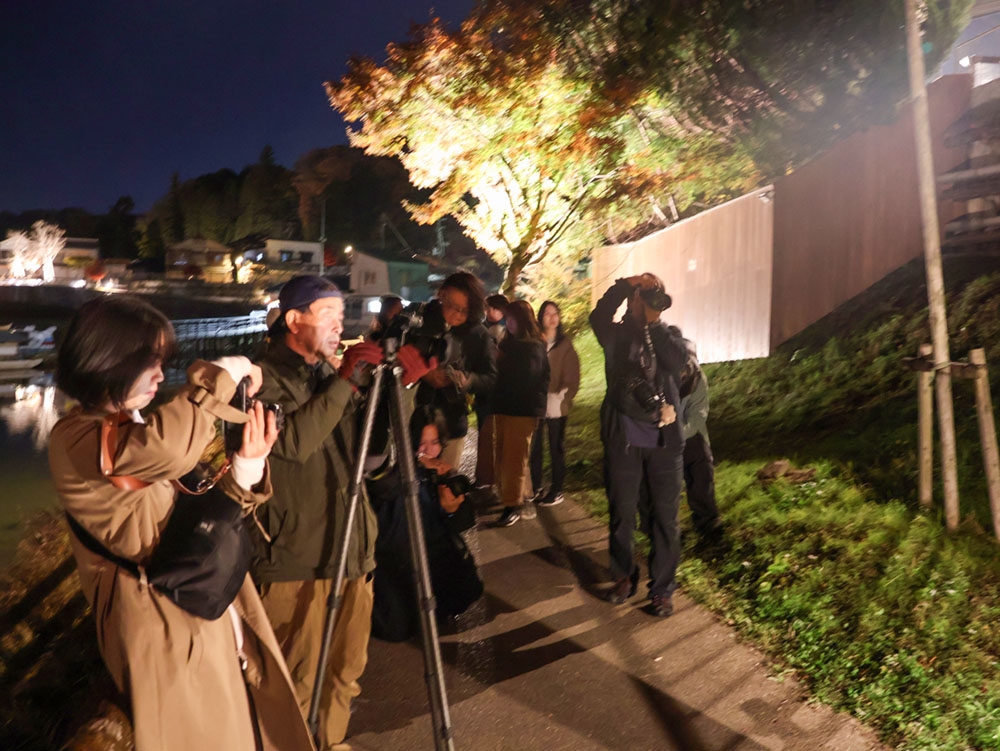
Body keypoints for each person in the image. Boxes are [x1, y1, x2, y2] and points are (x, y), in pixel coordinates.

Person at [48, 295, 313, 751]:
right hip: (168, 641)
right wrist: (220, 377)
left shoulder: (126, 426)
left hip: (204, 622)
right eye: (149, 363)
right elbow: (170, 450)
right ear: (106, 360)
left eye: (162, 362)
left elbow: (189, 527)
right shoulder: (75, 439)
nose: (160, 375)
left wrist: (247, 466)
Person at [251, 275, 424, 750]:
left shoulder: (330, 373)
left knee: (346, 673)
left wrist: (401, 386)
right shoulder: (261, 377)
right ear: (294, 320)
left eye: (341, 315)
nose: (339, 324)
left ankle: (331, 742)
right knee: (293, 682)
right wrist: (346, 379)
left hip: (351, 548)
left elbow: (375, 454)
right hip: (295, 558)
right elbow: (292, 444)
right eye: (328, 315)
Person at [589, 273, 687, 618]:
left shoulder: (668, 335)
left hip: (664, 442)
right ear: (632, 299)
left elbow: (676, 364)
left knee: (664, 517)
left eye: (650, 297)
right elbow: (597, 316)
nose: (643, 303)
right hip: (624, 438)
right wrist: (625, 285)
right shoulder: (615, 335)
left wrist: (655, 321)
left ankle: (661, 589)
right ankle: (622, 576)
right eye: (640, 297)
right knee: (622, 514)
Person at [369, 406, 482, 642]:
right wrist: (414, 473)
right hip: (396, 561)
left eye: (434, 442)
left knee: (467, 591)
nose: (428, 450)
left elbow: (465, 520)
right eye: (421, 443)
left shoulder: (441, 474)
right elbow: (391, 535)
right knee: (395, 629)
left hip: (431, 555)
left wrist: (452, 509)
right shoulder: (392, 479)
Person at [416, 271, 497, 470]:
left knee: (446, 488)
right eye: (451, 306)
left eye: (463, 310)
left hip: (452, 421)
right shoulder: (421, 322)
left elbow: (491, 377)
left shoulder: (478, 335)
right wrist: (424, 373)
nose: (456, 314)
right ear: (441, 294)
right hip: (416, 422)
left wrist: (467, 380)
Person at [493, 299, 550, 527]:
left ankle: (513, 505)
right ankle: (507, 497)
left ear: (522, 320)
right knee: (503, 456)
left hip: (522, 410)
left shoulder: (533, 346)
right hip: (504, 406)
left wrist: (500, 362)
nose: (508, 323)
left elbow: (528, 379)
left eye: (511, 319)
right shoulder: (510, 343)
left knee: (515, 459)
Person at [669, 326, 723, 539]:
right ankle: (669, 529)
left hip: (692, 435)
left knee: (701, 477)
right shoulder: (659, 371)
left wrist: (677, 434)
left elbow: (698, 414)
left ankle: (708, 523)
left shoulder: (697, 376)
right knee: (667, 484)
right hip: (666, 437)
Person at [530, 300, 580, 507]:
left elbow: (573, 376)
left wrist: (562, 397)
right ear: (540, 318)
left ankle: (557, 489)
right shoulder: (535, 342)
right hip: (537, 403)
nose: (552, 317)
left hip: (557, 406)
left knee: (556, 448)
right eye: (547, 313)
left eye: (555, 313)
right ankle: (535, 486)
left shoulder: (565, 344)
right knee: (535, 448)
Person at [475, 293, 509, 490]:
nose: (488, 312)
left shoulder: (507, 330)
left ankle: (498, 478)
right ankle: (485, 477)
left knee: (499, 434)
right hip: (484, 388)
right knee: (484, 432)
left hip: (500, 389)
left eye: (492, 308)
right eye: (487, 308)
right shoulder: (483, 328)